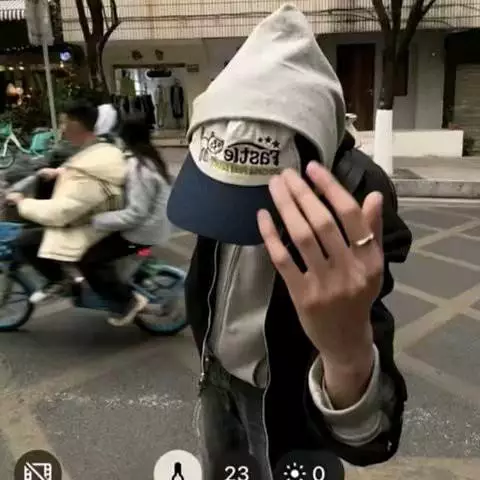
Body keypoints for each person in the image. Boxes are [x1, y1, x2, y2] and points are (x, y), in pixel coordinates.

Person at [166, 5, 412, 480]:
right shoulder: (223, 147)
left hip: (285, 397)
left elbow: (372, 435)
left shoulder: (356, 192)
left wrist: (346, 354)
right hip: (215, 375)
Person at [6, 100, 127, 303]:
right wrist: (59, 172)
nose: (61, 129)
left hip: (90, 222)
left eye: (65, 123)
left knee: (27, 241)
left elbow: (61, 211)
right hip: (91, 215)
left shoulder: (87, 156)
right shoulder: (97, 150)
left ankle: (62, 281)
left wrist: (22, 202)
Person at [79, 115, 172, 326]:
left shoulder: (140, 168)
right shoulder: (148, 159)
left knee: (90, 260)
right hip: (150, 226)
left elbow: (136, 213)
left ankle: (128, 302)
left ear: (124, 139)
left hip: (142, 232)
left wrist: (96, 219)